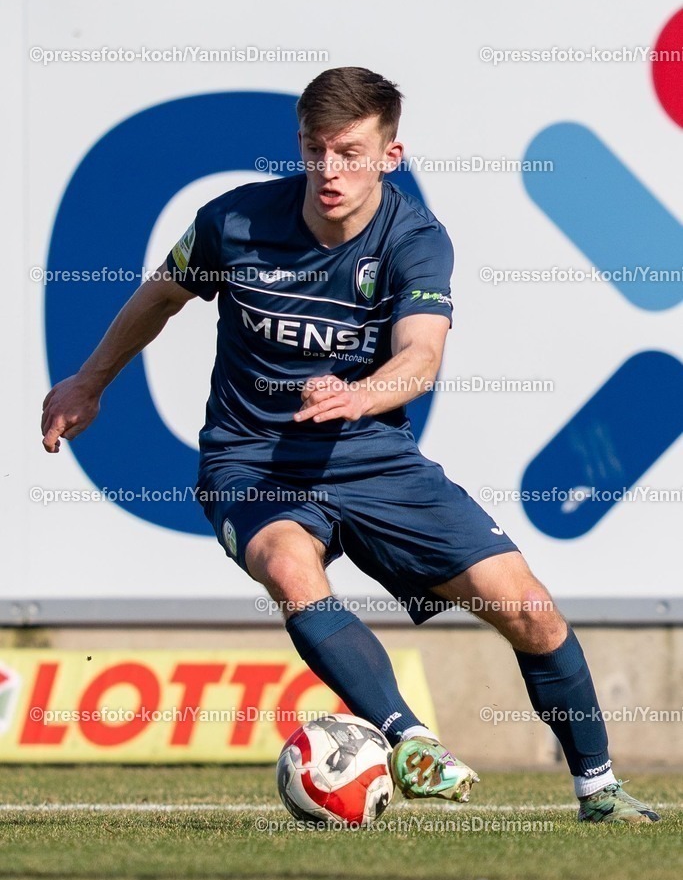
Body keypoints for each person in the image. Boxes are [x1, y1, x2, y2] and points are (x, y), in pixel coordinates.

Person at [42, 66, 658, 823]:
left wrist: (359, 395)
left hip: (373, 457)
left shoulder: (415, 241)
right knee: (288, 567)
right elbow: (159, 296)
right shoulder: (231, 222)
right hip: (251, 460)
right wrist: (88, 382)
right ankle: (407, 739)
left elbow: (421, 356)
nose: (330, 171)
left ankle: (598, 790)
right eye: (316, 150)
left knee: (528, 608)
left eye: (350, 152)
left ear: (389, 156)